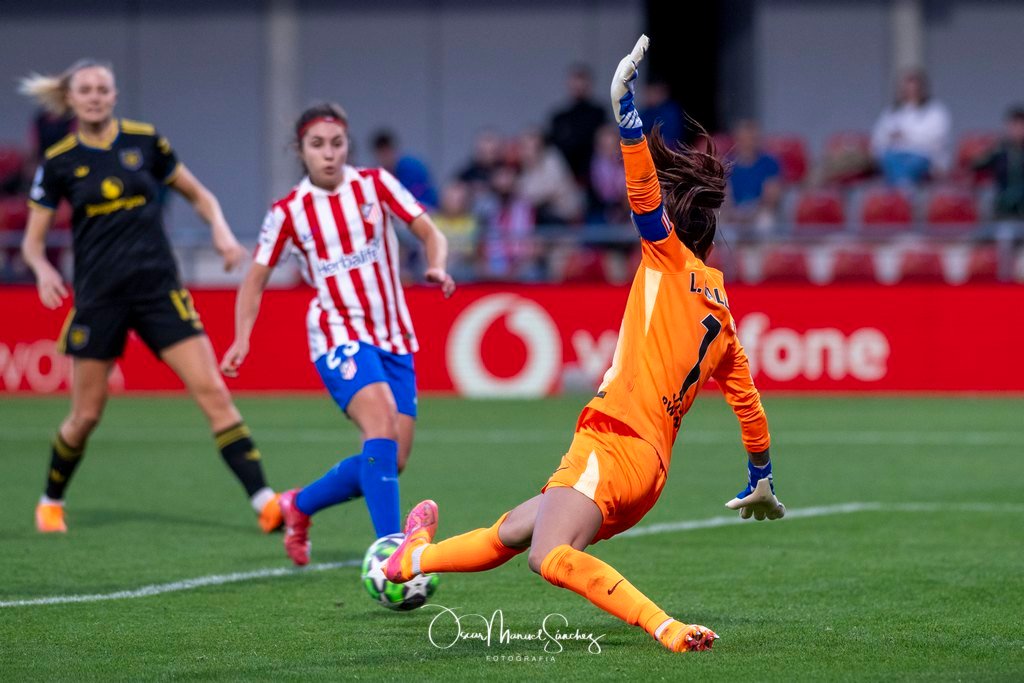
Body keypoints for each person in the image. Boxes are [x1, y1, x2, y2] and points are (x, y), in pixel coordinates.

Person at [384, 36, 785, 653]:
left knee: (546, 554)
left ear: (679, 232)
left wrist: (625, 113)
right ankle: (407, 562)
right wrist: (761, 477)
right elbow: (750, 410)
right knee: (512, 531)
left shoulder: (667, 261)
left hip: (612, 440)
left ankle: (666, 626)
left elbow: (643, 195)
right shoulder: (725, 321)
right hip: (648, 476)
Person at [18, 59, 281, 533]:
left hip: (160, 291)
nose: (95, 97)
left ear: (114, 96)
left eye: (103, 89)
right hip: (100, 298)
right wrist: (41, 269)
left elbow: (200, 195)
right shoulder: (59, 161)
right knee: (85, 416)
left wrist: (221, 233)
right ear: (71, 99)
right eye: (86, 90)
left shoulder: (145, 141)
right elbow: (33, 245)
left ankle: (266, 503)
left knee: (214, 392)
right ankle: (50, 501)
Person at [220, 103, 455, 566]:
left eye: (336, 143)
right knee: (380, 426)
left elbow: (431, 232)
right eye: (317, 145)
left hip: (394, 335)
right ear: (301, 151)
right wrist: (241, 337)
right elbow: (254, 280)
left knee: (391, 459)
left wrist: (437, 265)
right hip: (337, 333)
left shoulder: (375, 184)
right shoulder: (288, 212)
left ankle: (298, 505)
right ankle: (393, 554)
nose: (328, 153)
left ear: (348, 145)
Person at [871, 69, 951, 186]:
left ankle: (902, 191)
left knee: (910, 164)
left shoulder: (935, 110)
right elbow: (879, 137)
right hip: (894, 155)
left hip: (923, 156)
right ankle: (900, 191)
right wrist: (891, 137)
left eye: (914, 86)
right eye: (907, 86)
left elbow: (937, 138)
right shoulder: (892, 111)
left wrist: (907, 136)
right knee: (889, 160)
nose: (911, 90)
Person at [548, 63, 608, 186]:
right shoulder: (560, 118)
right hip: (563, 177)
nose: (578, 87)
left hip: (594, 177)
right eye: (575, 83)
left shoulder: (598, 114)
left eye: (582, 83)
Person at [724, 119, 783, 235]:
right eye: (745, 138)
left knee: (765, 224)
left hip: (759, 212)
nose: (749, 142)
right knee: (725, 230)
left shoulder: (770, 163)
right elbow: (725, 197)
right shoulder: (727, 164)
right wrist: (734, 214)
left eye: (752, 138)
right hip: (735, 214)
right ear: (738, 139)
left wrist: (751, 214)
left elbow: (771, 198)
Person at [972, 105, 1024, 220]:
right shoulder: (1000, 149)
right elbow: (976, 164)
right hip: (1003, 201)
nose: (1018, 130)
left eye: (1021, 126)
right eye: (1015, 126)